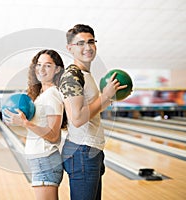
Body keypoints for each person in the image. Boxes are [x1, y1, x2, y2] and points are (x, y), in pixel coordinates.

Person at [59, 24, 128, 200]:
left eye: (91, 42)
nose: (87, 47)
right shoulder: (72, 76)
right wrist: (105, 96)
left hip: (91, 150)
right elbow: (77, 118)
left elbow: (92, 110)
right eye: (80, 43)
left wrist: (110, 97)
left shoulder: (85, 74)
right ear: (70, 48)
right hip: (82, 151)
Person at [3, 49, 66, 200]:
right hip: (42, 160)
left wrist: (25, 123)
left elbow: (53, 135)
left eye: (48, 65)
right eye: (39, 65)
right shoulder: (41, 95)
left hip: (46, 160)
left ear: (57, 69)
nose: (41, 69)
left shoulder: (52, 95)